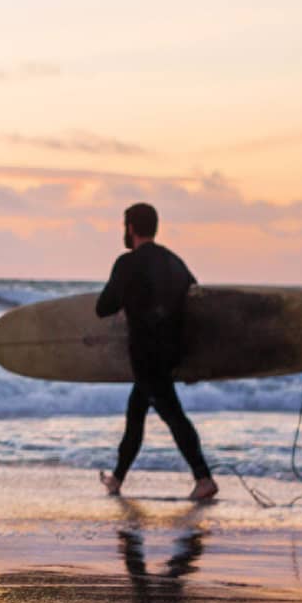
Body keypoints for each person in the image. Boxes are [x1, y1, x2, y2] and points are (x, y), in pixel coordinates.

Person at [96, 203, 218, 502]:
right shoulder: (175, 262)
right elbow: (195, 302)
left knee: (173, 416)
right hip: (173, 353)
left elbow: (103, 307)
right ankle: (117, 479)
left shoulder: (127, 263)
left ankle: (203, 478)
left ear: (130, 228)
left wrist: (127, 301)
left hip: (146, 355)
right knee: (135, 414)